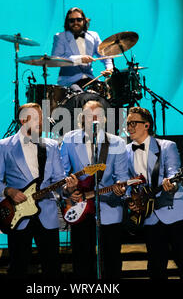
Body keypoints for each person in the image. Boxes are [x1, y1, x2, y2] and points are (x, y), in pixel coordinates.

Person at [0, 103, 77, 279]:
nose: (41, 122)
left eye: (42, 118)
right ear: (23, 120)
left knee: (52, 267)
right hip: (17, 215)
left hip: (47, 214)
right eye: (36, 118)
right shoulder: (3, 146)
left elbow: (59, 180)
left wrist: (68, 188)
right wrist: (9, 191)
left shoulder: (50, 146)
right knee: (18, 267)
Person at [60, 100, 129, 279]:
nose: (93, 118)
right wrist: (69, 189)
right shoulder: (69, 139)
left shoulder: (117, 143)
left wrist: (121, 188)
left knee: (112, 259)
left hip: (109, 207)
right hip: (80, 206)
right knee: (82, 259)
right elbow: (61, 173)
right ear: (82, 118)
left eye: (97, 114)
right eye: (88, 115)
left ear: (104, 119)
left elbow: (122, 175)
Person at [125, 106, 183, 279]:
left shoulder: (167, 146)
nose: (129, 127)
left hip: (175, 210)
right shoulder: (125, 151)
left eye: (134, 123)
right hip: (149, 214)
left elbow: (173, 170)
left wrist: (171, 182)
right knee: (156, 266)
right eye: (127, 123)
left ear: (147, 125)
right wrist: (129, 198)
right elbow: (127, 180)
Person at [51, 7, 113, 92]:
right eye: (72, 20)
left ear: (84, 21)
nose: (75, 23)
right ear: (67, 22)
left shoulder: (93, 36)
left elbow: (105, 55)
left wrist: (109, 68)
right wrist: (79, 59)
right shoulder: (60, 37)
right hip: (69, 82)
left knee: (104, 94)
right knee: (80, 97)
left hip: (90, 79)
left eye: (79, 20)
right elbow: (55, 59)